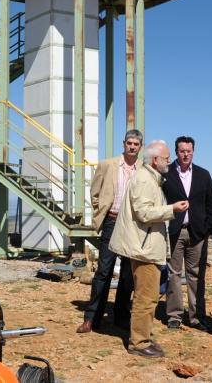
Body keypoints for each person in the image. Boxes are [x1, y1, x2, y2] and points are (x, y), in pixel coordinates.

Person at [109, 140, 188, 358]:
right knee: (146, 297)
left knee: (149, 295)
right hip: (144, 248)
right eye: (166, 158)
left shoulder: (150, 178)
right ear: (155, 160)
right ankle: (138, 343)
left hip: (146, 246)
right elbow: (144, 213)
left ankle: (142, 337)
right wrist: (171, 209)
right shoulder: (145, 180)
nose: (169, 162)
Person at [76, 129, 142, 334]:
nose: (132, 146)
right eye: (129, 143)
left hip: (133, 225)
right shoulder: (107, 165)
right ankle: (91, 318)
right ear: (124, 144)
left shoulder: (144, 169)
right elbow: (94, 191)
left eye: (136, 144)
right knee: (104, 271)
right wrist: (101, 211)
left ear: (140, 146)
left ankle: (121, 316)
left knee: (127, 275)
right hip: (112, 222)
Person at [162, 136, 212, 331]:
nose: (186, 154)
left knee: (195, 275)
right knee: (174, 274)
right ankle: (174, 316)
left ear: (193, 151)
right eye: (182, 151)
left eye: (189, 151)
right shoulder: (166, 173)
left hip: (197, 233)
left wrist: (207, 229)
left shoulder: (203, 174)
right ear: (176, 152)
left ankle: (196, 317)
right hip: (175, 231)